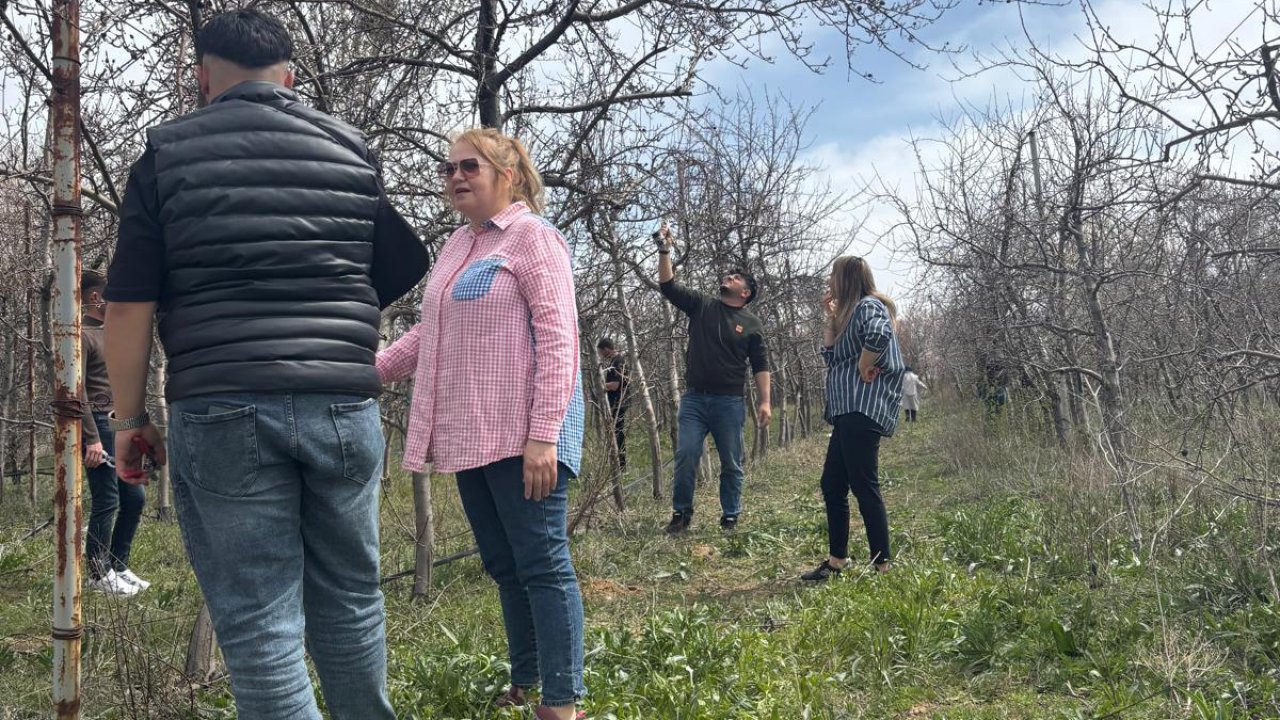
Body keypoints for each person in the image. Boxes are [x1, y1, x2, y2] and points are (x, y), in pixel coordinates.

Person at [102, 9, 425, 719]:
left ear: (201, 77)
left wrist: (128, 419)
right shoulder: (351, 148)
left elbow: (125, 308)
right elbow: (401, 262)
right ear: (290, 77)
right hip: (343, 401)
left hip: (223, 402)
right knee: (350, 596)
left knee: (259, 618)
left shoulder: (166, 154)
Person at [377, 128, 586, 720]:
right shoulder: (455, 247)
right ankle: (526, 676)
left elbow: (559, 340)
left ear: (508, 174)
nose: (456, 177)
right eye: (448, 170)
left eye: (470, 166)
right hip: (471, 435)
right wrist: (373, 370)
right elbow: (430, 334)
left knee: (543, 565)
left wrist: (544, 435)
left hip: (526, 436)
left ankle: (562, 701)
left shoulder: (533, 239)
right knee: (503, 565)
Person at [656, 225, 771, 534]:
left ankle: (730, 516)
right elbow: (668, 286)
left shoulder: (751, 323)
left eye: (735, 278)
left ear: (745, 293)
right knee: (686, 454)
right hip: (694, 399)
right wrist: (665, 250)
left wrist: (765, 402)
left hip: (729, 403)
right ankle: (681, 515)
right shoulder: (702, 305)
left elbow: (761, 364)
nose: (727, 279)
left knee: (732, 463)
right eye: (727, 276)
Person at [802, 256, 904, 582]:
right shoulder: (849, 315)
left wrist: (863, 365)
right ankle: (837, 561)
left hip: (862, 408)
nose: (829, 281)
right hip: (848, 410)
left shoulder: (868, 306)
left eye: (833, 275)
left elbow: (879, 335)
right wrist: (830, 318)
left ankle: (883, 566)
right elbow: (831, 357)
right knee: (833, 484)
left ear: (845, 278)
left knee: (863, 485)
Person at [80, 271, 148, 596]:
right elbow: (74, 392)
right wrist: (90, 437)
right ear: (96, 298)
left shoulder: (112, 333)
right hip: (97, 424)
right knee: (107, 499)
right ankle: (97, 574)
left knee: (135, 498)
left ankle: (117, 565)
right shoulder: (80, 337)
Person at [597, 337, 630, 471]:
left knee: (618, 432)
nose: (600, 355)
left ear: (606, 349)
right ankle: (618, 464)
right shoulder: (615, 361)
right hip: (616, 401)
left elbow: (615, 385)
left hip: (619, 402)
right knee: (616, 431)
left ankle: (621, 466)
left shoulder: (618, 362)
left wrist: (600, 386)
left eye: (600, 352)